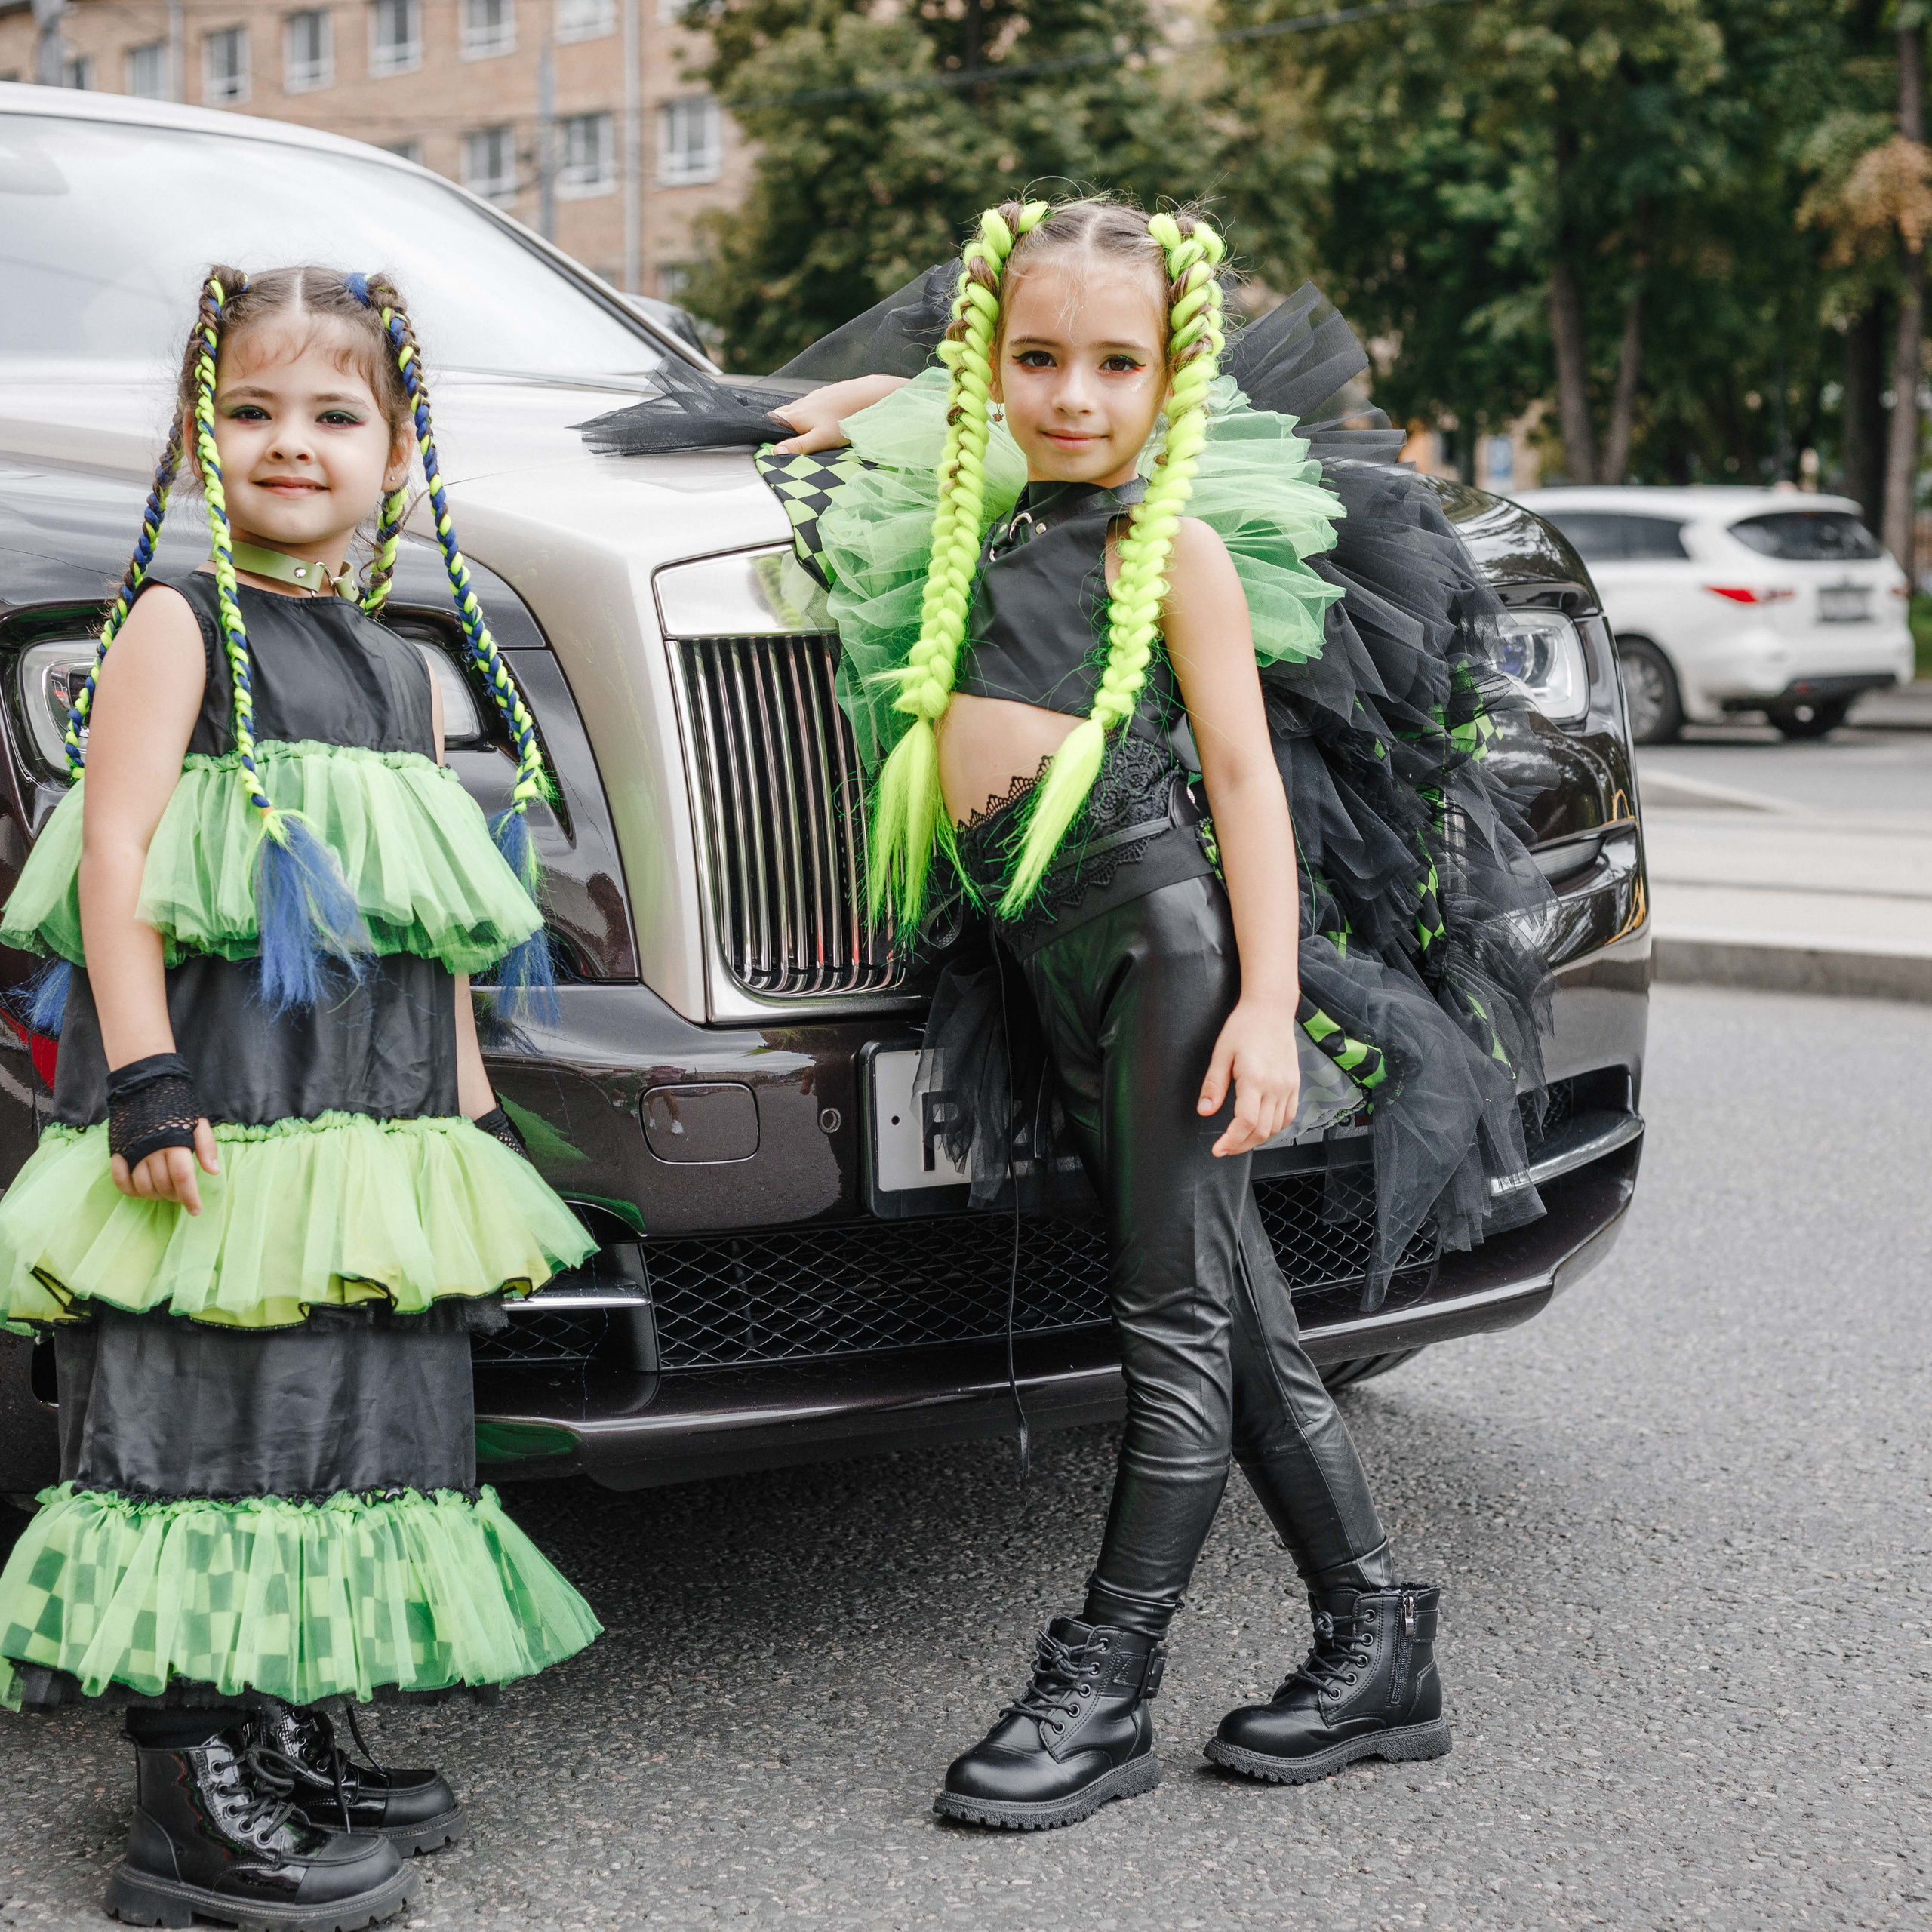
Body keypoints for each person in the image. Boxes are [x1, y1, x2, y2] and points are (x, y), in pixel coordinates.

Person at [577, 197, 1555, 1832]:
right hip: (1054, 948)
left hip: (1156, 943)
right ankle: (1376, 1638)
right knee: (1231, 1314)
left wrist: (1258, 1006)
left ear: (1173, 385)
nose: (1075, 397)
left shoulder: (1160, 548)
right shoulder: (990, 507)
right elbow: (913, 410)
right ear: (989, 365)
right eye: (1038, 359)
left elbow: (1243, 782)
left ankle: (1105, 1677)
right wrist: (843, 404)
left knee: (1168, 1326)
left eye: (1117, 365)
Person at [0, 266, 601, 1927]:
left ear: (395, 455)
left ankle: (285, 1709)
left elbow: (431, 925)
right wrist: (144, 1077)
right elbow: (110, 862)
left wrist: (467, 1128)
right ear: (202, 442)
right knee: (209, 1409)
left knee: (341, 1404)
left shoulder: (400, 667)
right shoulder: (179, 627)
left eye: (335, 415)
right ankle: (190, 1791)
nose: (291, 442)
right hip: (224, 1116)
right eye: (252, 410)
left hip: (365, 1124)